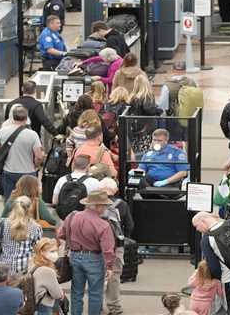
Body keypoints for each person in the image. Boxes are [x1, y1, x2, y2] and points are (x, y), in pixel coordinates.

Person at [58, 191, 116, 315]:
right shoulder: (103, 225)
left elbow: (61, 234)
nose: (105, 208)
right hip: (94, 258)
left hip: (74, 256)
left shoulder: (72, 216)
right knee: (95, 293)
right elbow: (108, 249)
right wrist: (109, 266)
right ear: (98, 206)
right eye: (104, 205)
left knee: (76, 292)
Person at [98, 177, 134, 315]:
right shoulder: (121, 204)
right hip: (115, 245)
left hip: (96, 246)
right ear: (115, 190)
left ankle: (96, 305)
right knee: (114, 276)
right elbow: (130, 225)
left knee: (96, 276)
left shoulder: (93, 203)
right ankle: (114, 307)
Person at [0, 106, 44, 200]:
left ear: (12, 117)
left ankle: (12, 214)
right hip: (28, 172)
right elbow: (39, 156)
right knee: (30, 201)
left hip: (9, 171)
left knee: (10, 200)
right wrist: (36, 165)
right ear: (26, 118)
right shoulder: (32, 134)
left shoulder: (3, 131)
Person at [0, 196, 42, 274]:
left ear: (14, 207)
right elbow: (37, 249)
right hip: (26, 268)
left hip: (4, 267)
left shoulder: (2, 223)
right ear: (30, 209)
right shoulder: (36, 227)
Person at [128, 74, 162, 154]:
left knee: (138, 150)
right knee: (149, 151)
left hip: (135, 127)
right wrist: (158, 111)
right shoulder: (147, 96)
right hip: (147, 127)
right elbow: (149, 109)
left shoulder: (132, 97)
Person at [32, 238, 64, 315]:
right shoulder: (48, 271)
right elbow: (57, 294)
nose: (55, 254)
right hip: (44, 306)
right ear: (42, 252)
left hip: (35, 304)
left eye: (56, 251)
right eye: (52, 251)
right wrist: (61, 294)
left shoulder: (34, 264)